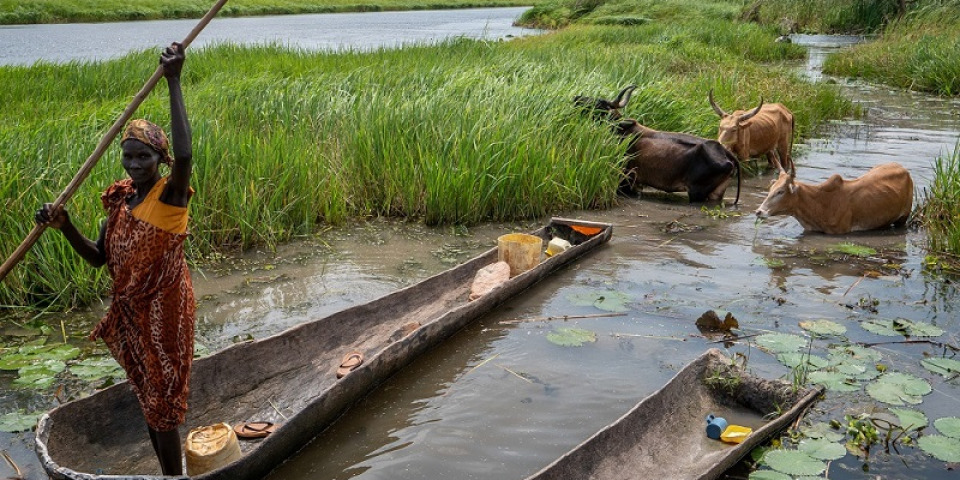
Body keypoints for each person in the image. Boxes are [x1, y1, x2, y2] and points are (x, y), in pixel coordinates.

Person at [36, 42, 194, 476]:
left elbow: (185, 154)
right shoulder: (120, 201)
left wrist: (174, 79)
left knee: (162, 397)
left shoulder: (170, 196)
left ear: (159, 160)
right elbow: (97, 259)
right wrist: (63, 224)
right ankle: (170, 472)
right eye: (128, 156)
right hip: (133, 313)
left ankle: (173, 476)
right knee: (147, 393)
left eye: (143, 156)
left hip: (165, 311)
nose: (134, 164)